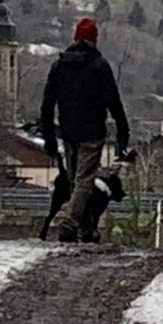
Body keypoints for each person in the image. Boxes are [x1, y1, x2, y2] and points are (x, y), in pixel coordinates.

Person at [40, 16, 132, 242]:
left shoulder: (59, 66)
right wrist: (123, 132)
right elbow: (114, 101)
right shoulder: (100, 66)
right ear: (93, 40)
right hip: (92, 133)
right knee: (84, 181)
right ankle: (69, 224)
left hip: (68, 132)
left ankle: (87, 229)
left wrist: (49, 137)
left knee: (75, 182)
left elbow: (47, 103)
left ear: (75, 38)